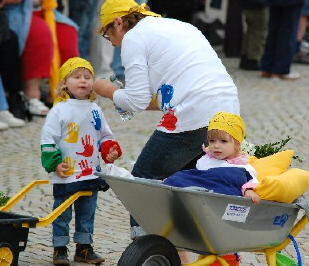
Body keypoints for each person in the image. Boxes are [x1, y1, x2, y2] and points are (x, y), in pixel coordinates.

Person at [93, 0, 240, 239]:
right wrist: (124, 96)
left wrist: (105, 89)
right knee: (188, 184)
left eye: (109, 36)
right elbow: (166, 96)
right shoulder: (177, 26)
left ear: (118, 23)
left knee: (142, 180)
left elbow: (137, 101)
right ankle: (187, 245)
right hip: (227, 110)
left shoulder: (134, 38)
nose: (114, 43)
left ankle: (147, 248)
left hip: (194, 114)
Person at [40, 57, 122, 265]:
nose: (83, 80)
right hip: (66, 174)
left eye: (87, 77)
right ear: (64, 83)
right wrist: (55, 163)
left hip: (89, 173)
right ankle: (59, 248)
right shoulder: (58, 110)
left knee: (87, 212)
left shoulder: (95, 109)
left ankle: (84, 248)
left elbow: (105, 135)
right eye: (76, 77)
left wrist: (110, 150)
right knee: (62, 212)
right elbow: (48, 140)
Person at [163, 112, 261, 203]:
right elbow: (198, 176)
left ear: (237, 144)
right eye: (212, 141)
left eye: (223, 141)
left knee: (236, 175)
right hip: (199, 191)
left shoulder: (243, 167)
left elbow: (251, 181)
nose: (216, 146)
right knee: (180, 176)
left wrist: (248, 191)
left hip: (221, 194)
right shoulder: (206, 160)